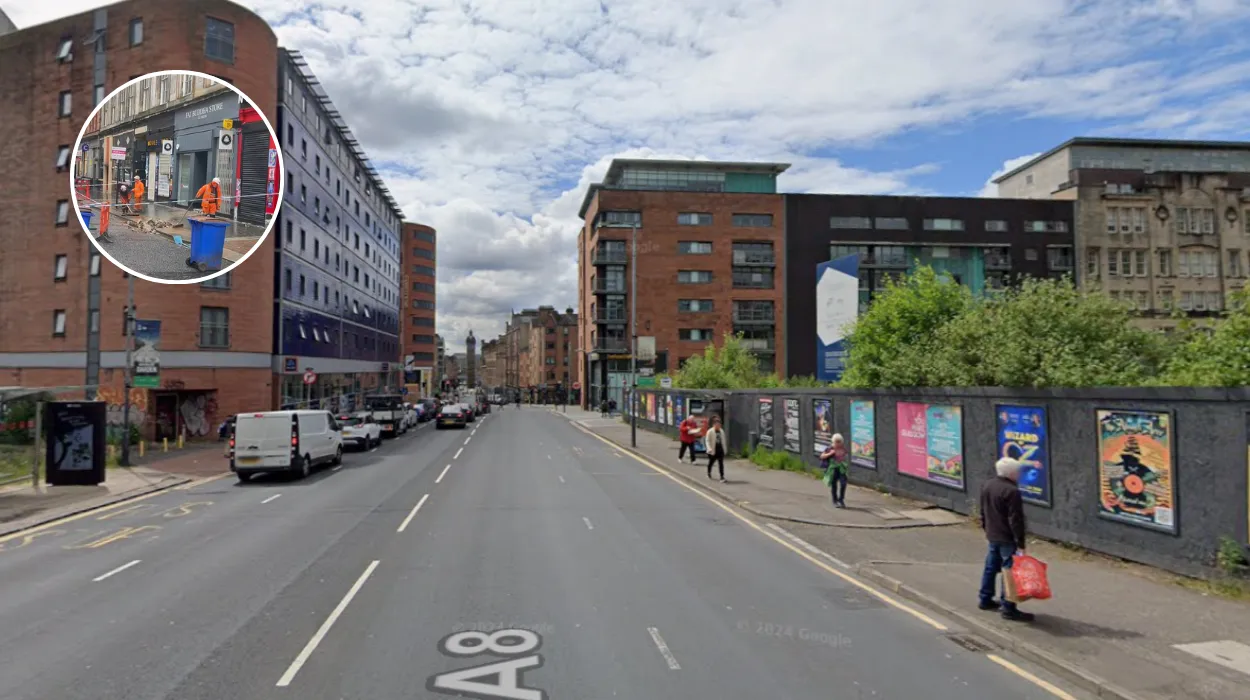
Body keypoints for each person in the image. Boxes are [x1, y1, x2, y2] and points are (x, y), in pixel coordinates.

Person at [979, 457, 1034, 622]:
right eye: (1018, 472)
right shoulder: (1012, 491)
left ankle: (985, 599)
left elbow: (983, 510)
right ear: (1011, 473)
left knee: (990, 568)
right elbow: (1015, 520)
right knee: (1008, 572)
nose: (1019, 474)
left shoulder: (987, 485)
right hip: (1007, 537)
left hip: (992, 534)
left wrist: (986, 529)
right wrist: (1021, 543)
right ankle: (1008, 607)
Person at [820, 434, 849, 508]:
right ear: (833, 441)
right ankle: (835, 500)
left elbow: (845, 457)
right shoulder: (830, 448)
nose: (838, 443)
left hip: (841, 469)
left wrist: (844, 463)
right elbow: (822, 456)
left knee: (843, 483)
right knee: (834, 485)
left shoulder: (843, 449)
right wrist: (830, 453)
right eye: (837, 442)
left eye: (840, 442)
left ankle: (841, 499)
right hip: (833, 469)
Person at [704, 416, 727, 482]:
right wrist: (709, 448)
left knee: (721, 463)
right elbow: (707, 441)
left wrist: (724, 449)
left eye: (719, 424)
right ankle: (708, 473)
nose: (718, 426)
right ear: (714, 425)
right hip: (713, 449)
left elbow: (723, 441)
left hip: (720, 449)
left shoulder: (721, 431)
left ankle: (722, 476)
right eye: (717, 424)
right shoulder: (710, 431)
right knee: (711, 463)